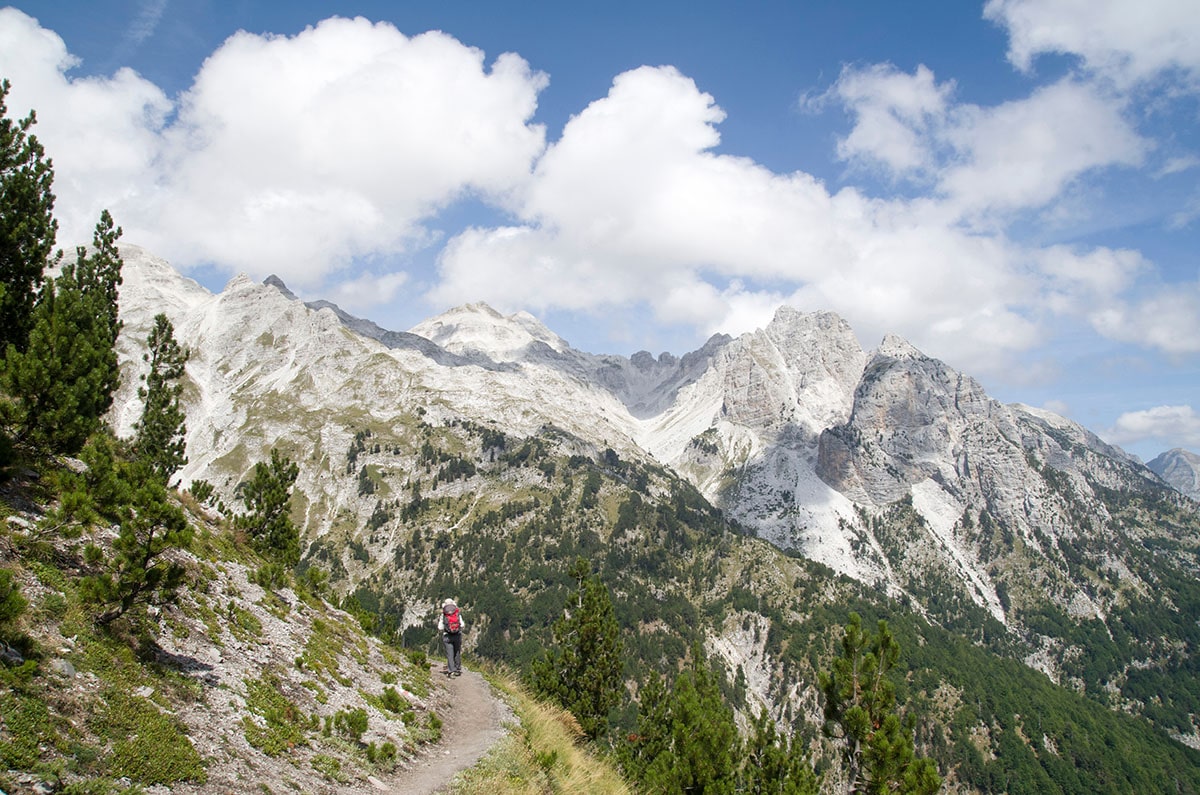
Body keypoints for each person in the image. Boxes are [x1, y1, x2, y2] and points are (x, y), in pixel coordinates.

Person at [438, 598, 464, 676]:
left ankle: (451, 670)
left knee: (450, 653)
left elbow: (440, 627)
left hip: (447, 636)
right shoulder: (457, 613)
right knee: (457, 652)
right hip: (457, 635)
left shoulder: (443, 615)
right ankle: (458, 669)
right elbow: (462, 625)